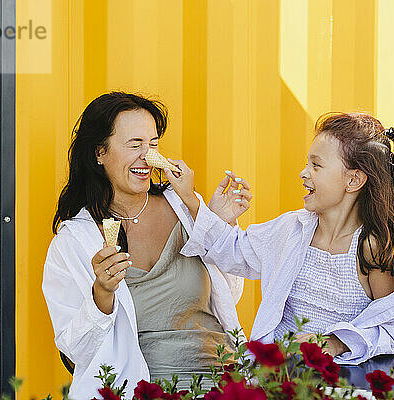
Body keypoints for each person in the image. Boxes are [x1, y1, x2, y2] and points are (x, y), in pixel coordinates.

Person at [165, 112, 394, 365]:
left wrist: (334, 342)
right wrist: (192, 200)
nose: (303, 173)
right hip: (279, 377)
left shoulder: (371, 249)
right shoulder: (293, 229)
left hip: (339, 383)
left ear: (353, 179)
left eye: (316, 165)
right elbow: (233, 251)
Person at [42, 92, 244, 400]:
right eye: (134, 145)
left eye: (152, 145)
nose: (147, 157)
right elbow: (76, 350)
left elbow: (230, 295)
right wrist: (102, 294)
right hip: (140, 387)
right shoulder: (74, 241)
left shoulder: (185, 207)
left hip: (220, 378)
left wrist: (217, 223)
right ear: (100, 152)